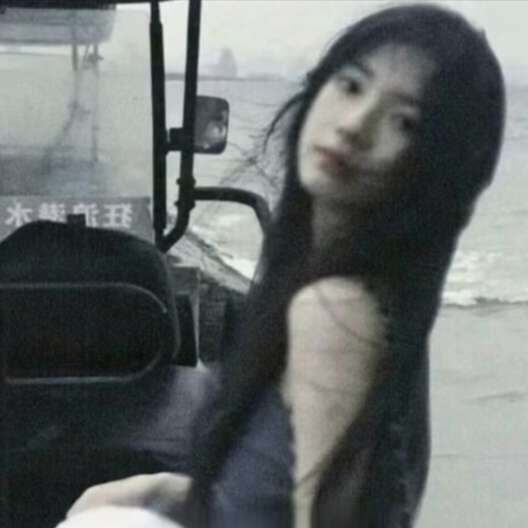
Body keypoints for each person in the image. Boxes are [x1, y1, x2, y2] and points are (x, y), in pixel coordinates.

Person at [60, 4, 505, 528]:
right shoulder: (383, 298)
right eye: (352, 85)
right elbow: (269, 490)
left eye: (403, 121)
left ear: (438, 167)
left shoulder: (336, 309)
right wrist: (158, 491)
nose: (354, 126)